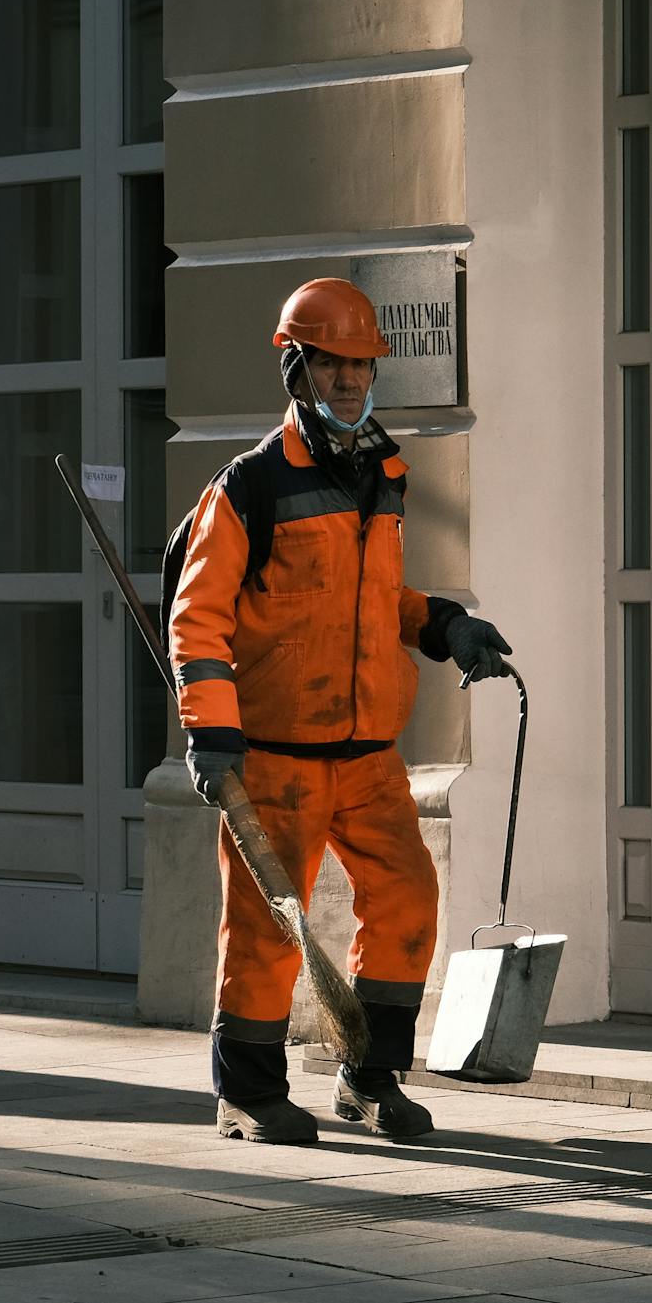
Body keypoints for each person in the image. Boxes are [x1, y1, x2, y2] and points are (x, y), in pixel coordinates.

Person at [167, 277, 512, 1143]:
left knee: (406, 897)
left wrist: (445, 625)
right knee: (268, 927)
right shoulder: (249, 487)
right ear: (297, 368)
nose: (351, 380)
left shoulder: (383, 474)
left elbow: (376, 598)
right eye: (331, 363)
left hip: (366, 754)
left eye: (361, 364)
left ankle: (369, 1077)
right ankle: (247, 1091)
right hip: (276, 756)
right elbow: (197, 616)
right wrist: (211, 732)